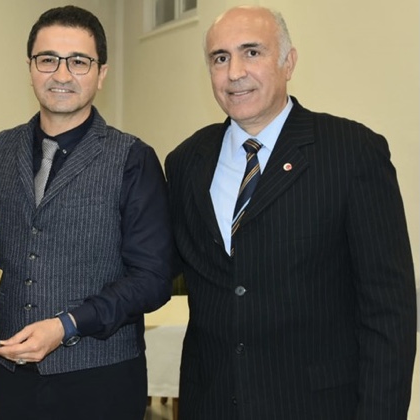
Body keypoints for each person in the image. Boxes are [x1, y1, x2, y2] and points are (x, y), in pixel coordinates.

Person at [165, 6, 416, 419]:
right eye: (220, 58)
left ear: (288, 63)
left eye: (252, 53)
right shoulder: (185, 162)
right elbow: (159, 268)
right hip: (212, 405)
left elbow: (389, 312)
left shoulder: (352, 152)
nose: (234, 73)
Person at [0, 5, 173, 420]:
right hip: (12, 379)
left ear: (101, 73)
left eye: (78, 61)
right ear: (30, 67)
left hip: (102, 380)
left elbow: (152, 278)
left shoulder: (133, 158)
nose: (61, 74)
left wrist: (67, 324)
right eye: (48, 60)